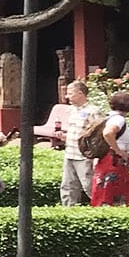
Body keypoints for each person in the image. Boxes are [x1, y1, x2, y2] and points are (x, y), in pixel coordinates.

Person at [92, 91, 129, 207]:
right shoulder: (119, 119)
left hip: (108, 160)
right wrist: (118, 151)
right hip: (114, 161)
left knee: (107, 189)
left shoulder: (110, 117)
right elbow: (108, 133)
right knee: (116, 190)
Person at [54, 79, 95, 207]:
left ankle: (102, 208)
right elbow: (77, 132)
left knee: (89, 185)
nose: (67, 96)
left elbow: (98, 134)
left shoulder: (92, 111)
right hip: (70, 153)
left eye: (70, 93)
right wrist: (65, 137)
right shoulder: (72, 110)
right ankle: (69, 212)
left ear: (80, 94)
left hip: (83, 156)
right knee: (68, 186)